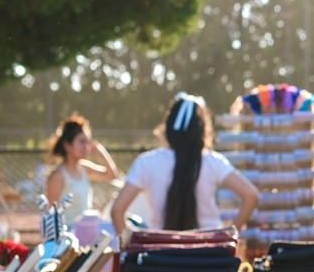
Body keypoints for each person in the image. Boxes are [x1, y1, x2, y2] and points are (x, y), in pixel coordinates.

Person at [110, 94, 259, 234]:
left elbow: (117, 210)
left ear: (168, 127)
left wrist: (129, 246)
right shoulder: (213, 161)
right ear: (202, 129)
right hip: (209, 252)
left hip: (161, 254)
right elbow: (251, 195)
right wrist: (230, 233)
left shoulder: (146, 162)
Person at [44, 113, 120, 226]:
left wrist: (102, 154)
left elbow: (112, 176)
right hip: (67, 236)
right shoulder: (58, 175)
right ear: (67, 145)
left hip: (86, 231)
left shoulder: (84, 167)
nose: (86, 146)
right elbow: (51, 213)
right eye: (82, 141)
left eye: (88, 142)